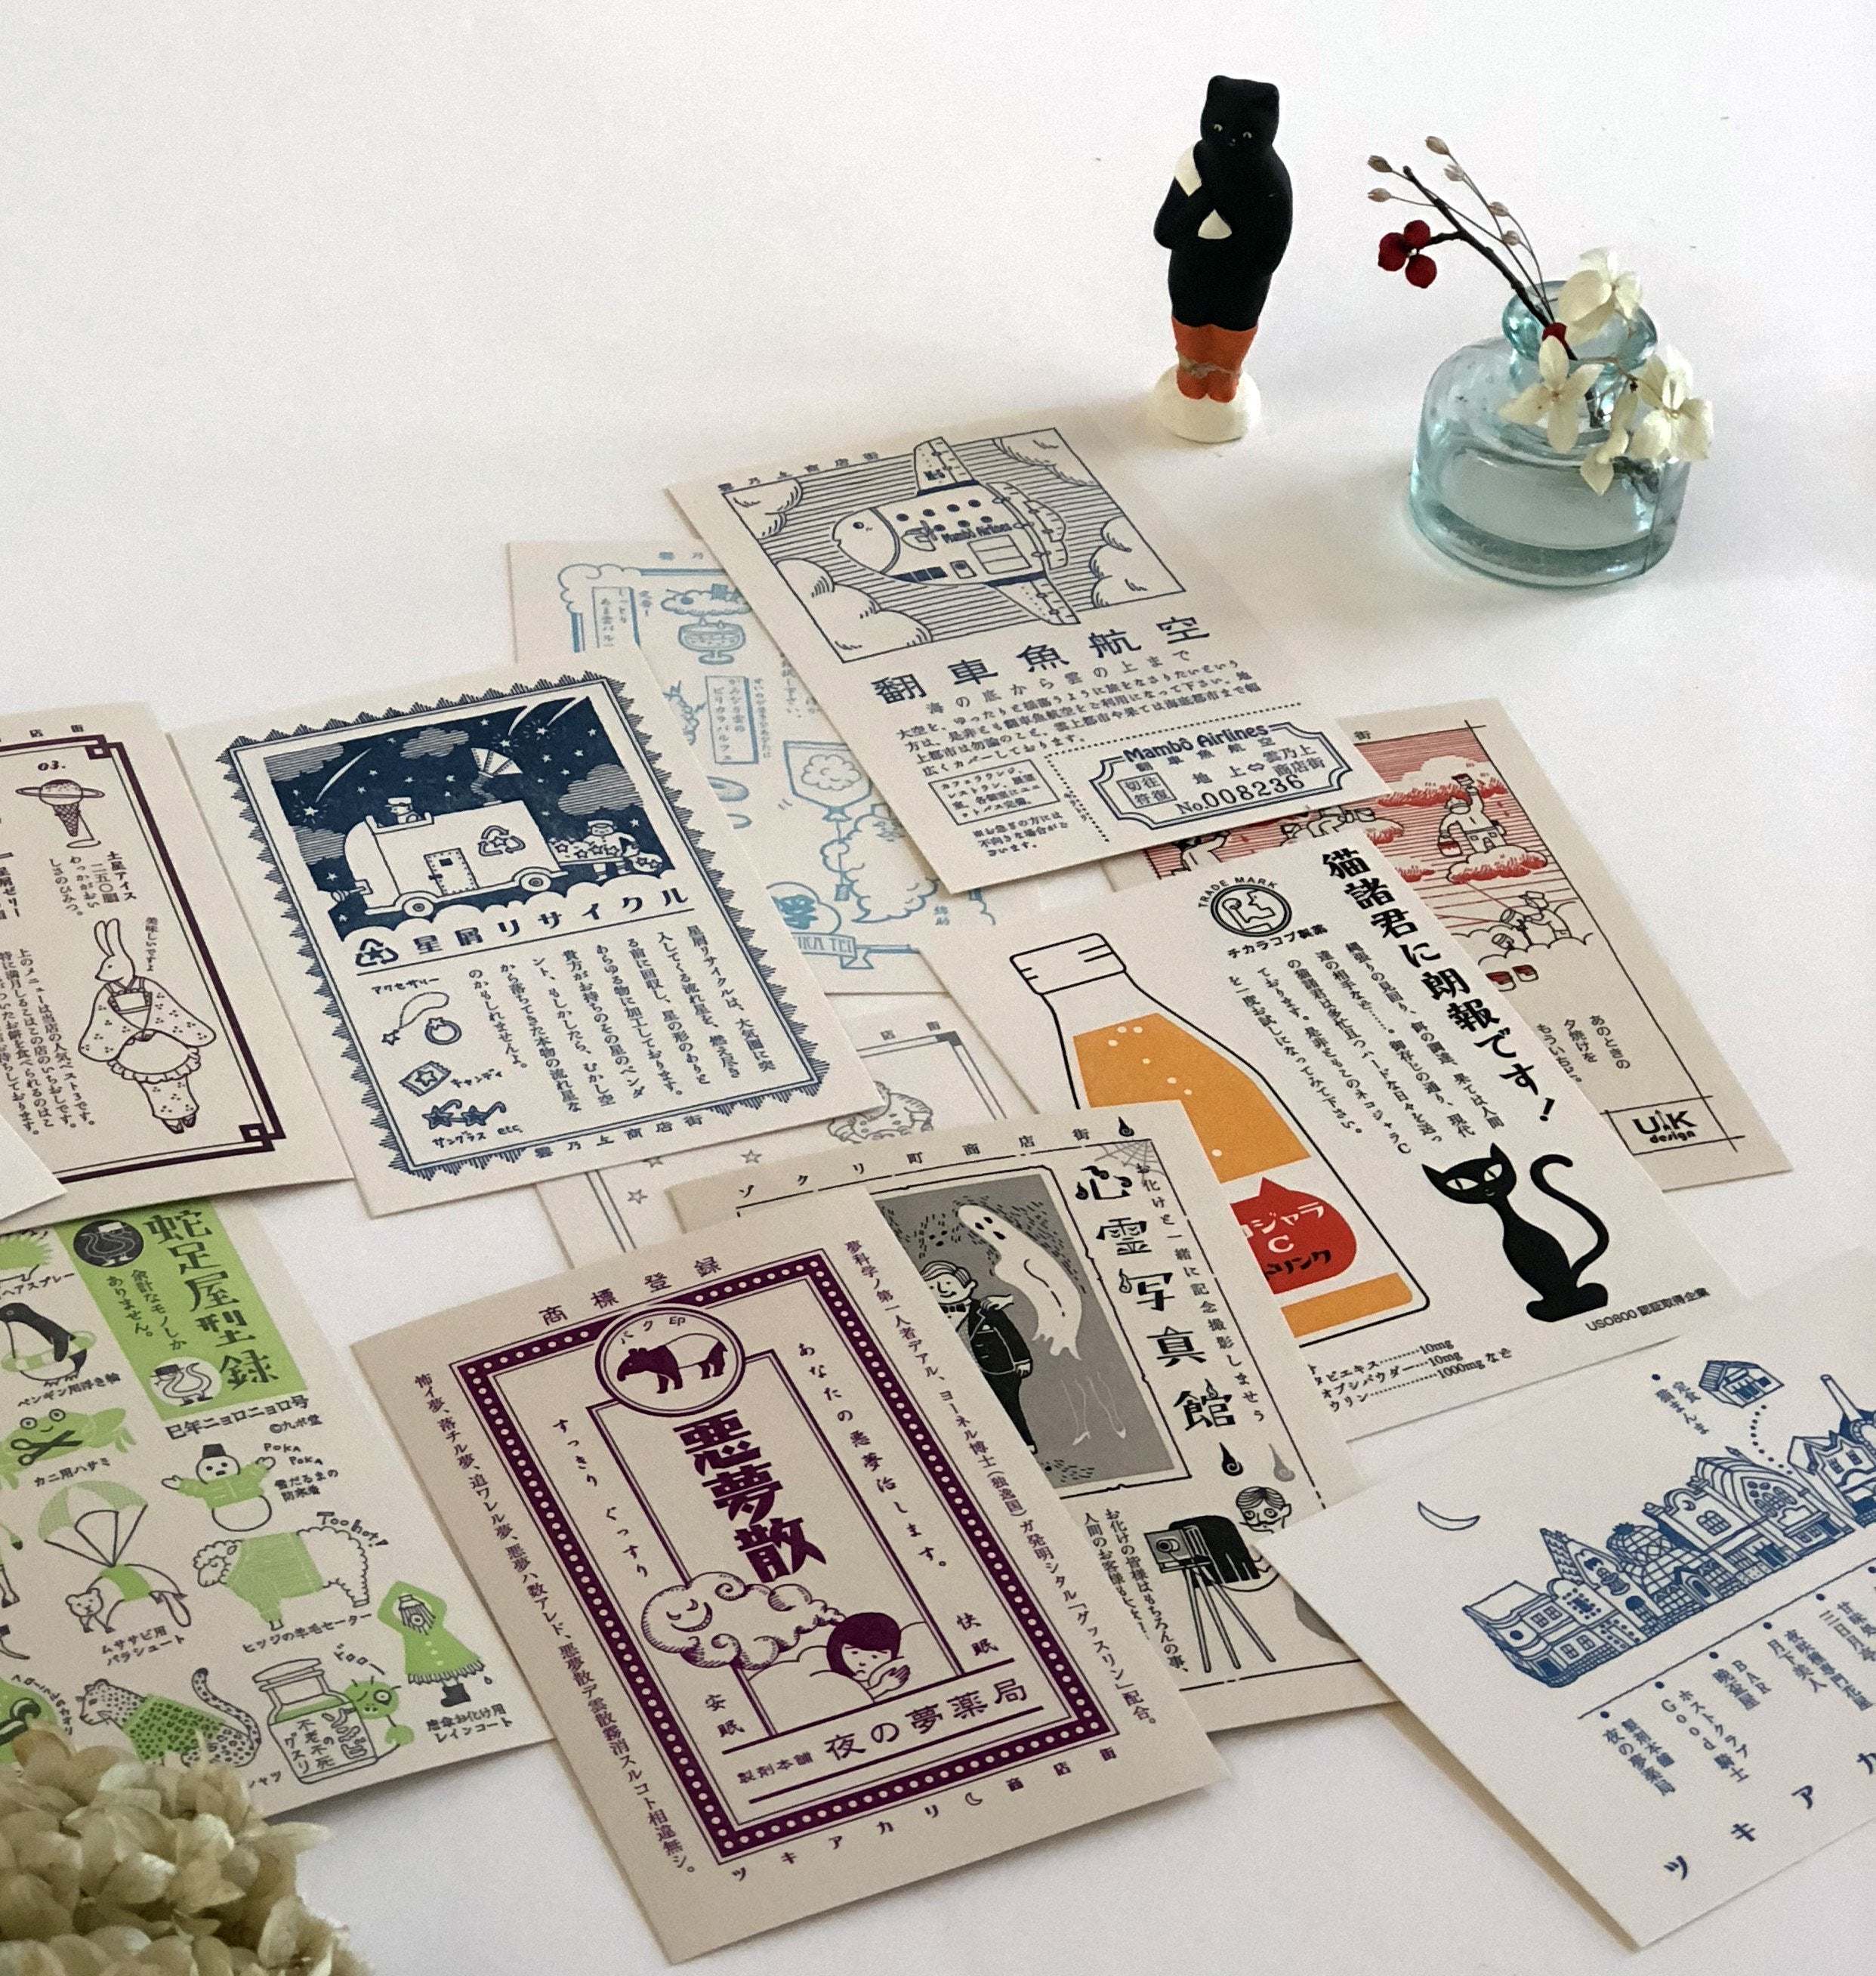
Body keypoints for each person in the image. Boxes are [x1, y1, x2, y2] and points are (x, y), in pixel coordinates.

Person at [919, 1260, 1035, 1449]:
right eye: (932, 1286)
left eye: (948, 1283)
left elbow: (1009, 1334)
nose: (942, 1289)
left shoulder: (985, 1309)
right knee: (972, 1410)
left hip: (997, 1370)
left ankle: (1025, 1443)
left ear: (969, 1285)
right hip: (958, 1373)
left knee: (1009, 1406)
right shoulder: (929, 1316)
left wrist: (1022, 1360)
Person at [824, 1610, 909, 1700]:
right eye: (854, 1653)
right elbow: (848, 1704)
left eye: (874, 1656)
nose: (862, 1662)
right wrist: (882, 1687)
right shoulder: (836, 1682)